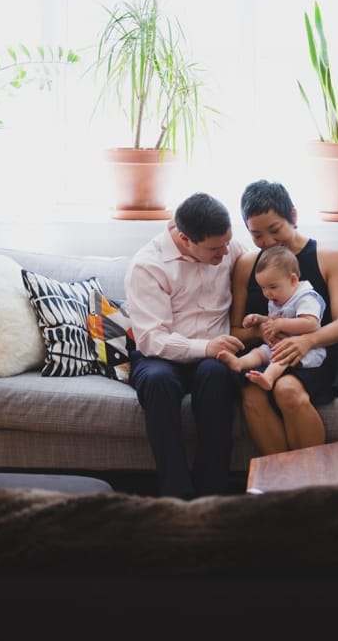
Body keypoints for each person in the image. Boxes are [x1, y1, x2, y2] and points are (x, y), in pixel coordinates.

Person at [229, 180, 338, 455]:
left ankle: (310, 477)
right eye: (257, 235)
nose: (268, 242)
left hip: (315, 354)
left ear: (293, 216)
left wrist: (306, 341)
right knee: (252, 393)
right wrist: (261, 332)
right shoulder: (246, 265)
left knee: (287, 390)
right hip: (267, 353)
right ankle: (281, 477)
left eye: (275, 230)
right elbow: (234, 330)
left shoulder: (329, 258)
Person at [124, 191, 248, 499]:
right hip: (161, 355)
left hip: (213, 358)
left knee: (216, 374)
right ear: (184, 239)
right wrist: (204, 347)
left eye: (228, 242)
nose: (225, 253)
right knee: (158, 381)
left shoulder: (229, 248)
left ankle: (212, 496)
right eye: (215, 249)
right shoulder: (148, 265)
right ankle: (177, 498)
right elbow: (151, 339)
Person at [217, 245, 325, 391]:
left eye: (272, 287)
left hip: (305, 350)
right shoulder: (278, 298)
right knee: (258, 353)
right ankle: (240, 363)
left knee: (281, 357)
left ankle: (269, 377)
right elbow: (273, 320)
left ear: (293, 280)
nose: (267, 293)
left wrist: (281, 324)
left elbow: (310, 323)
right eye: (263, 288)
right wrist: (258, 319)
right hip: (278, 346)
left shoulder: (306, 297)